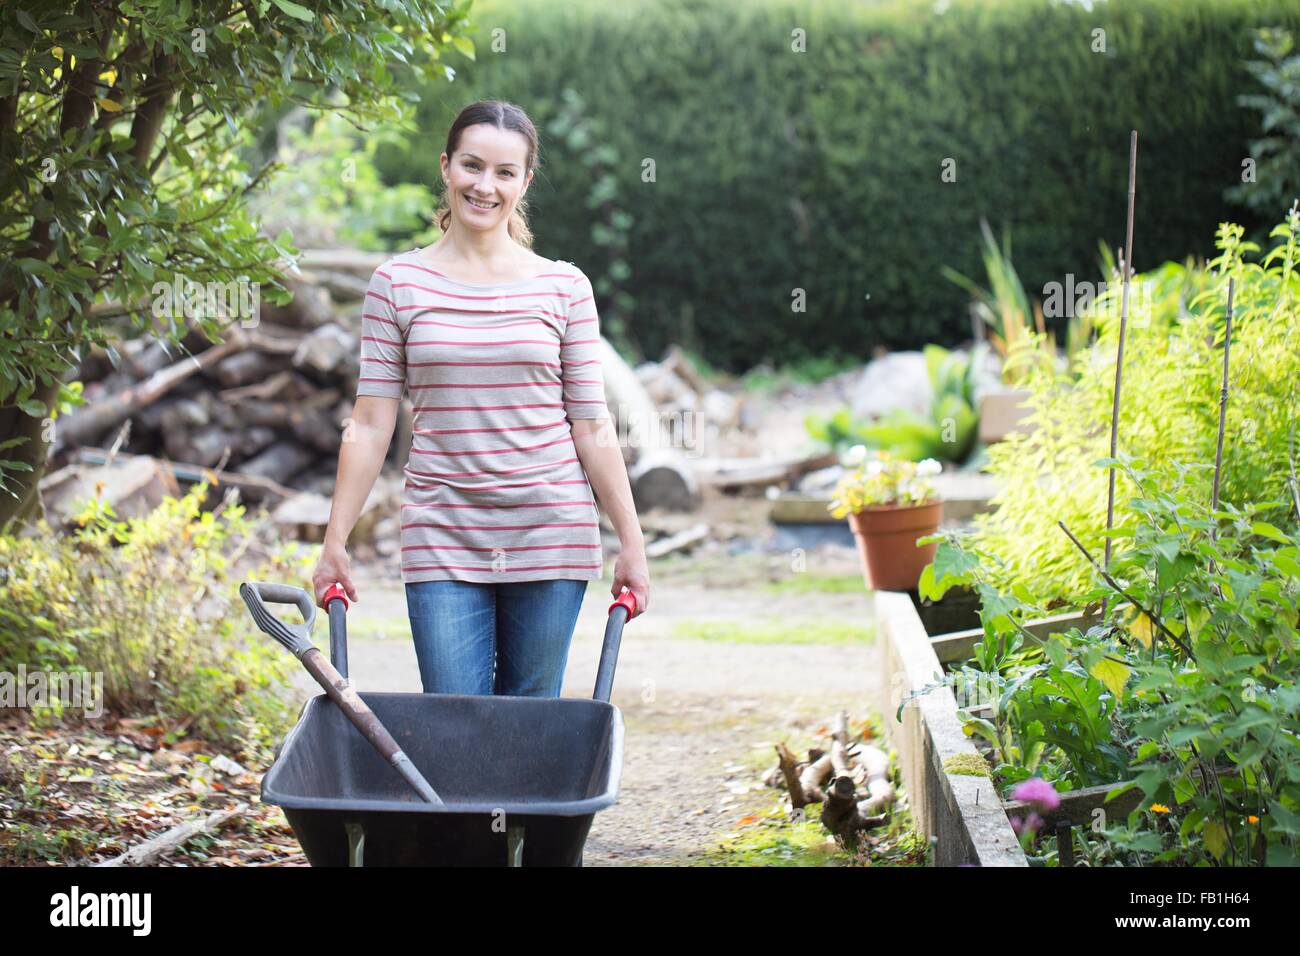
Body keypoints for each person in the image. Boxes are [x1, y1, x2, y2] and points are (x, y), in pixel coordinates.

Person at [311, 99, 649, 698]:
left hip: (552, 531)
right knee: (455, 724)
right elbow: (369, 424)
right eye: (472, 166)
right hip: (442, 532)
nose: (484, 186)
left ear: (525, 181)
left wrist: (631, 540)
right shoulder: (397, 285)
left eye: (504, 172)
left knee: (528, 729)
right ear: (446, 167)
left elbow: (591, 426)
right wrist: (336, 538)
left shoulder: (565, 287)